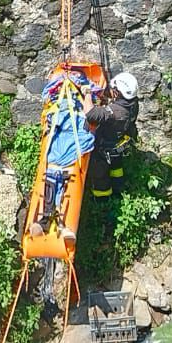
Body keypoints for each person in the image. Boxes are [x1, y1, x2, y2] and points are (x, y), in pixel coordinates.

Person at [30, 74, 97, 240]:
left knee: (52, 180)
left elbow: (50, 121)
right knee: (60, 182)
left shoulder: (58, 108)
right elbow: (89, 118)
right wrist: (87, 92)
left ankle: (47, 220)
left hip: (58, 148)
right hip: (67, 150)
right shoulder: (78, 111)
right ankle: (58, 223)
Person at [84, 71, 139, 200]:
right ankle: (119, 191)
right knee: (116, 170)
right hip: (117, 146)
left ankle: (103, 203)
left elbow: (90, 113)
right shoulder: (132, 105)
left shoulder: (115, 112)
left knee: (100, 178)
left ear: (118, 92)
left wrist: (87, 93)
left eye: (113, 89)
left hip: (103, 151)